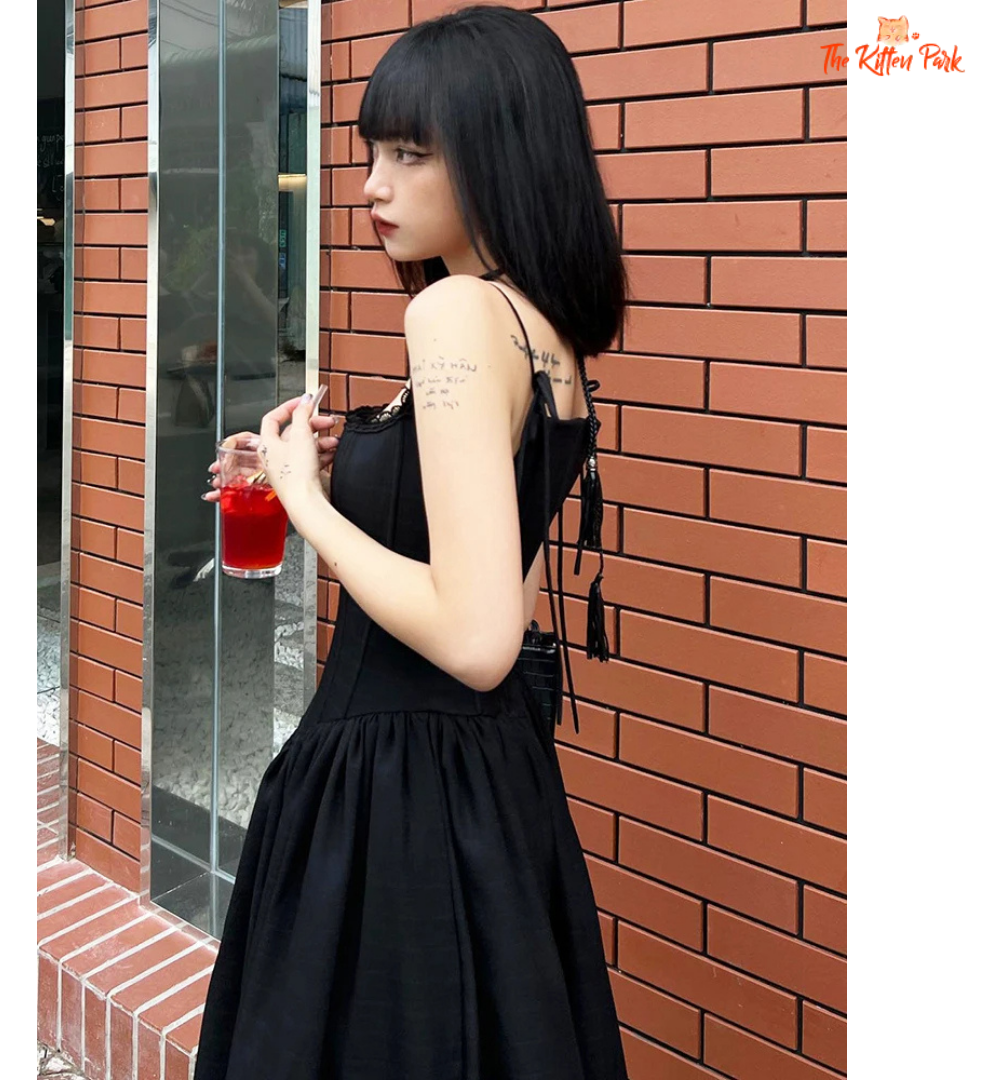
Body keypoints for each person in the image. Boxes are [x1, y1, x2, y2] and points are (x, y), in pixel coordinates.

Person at [195, 5, 629, 1078]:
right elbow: (500, 561)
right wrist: (347, 464)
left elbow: (478, 637)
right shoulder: (544, 326)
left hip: (395, 790)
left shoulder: (453, 314)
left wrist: (307, 502)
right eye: (372, 154)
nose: (372, 186)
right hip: (489, 779)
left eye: (410, 154)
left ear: (498, 151)